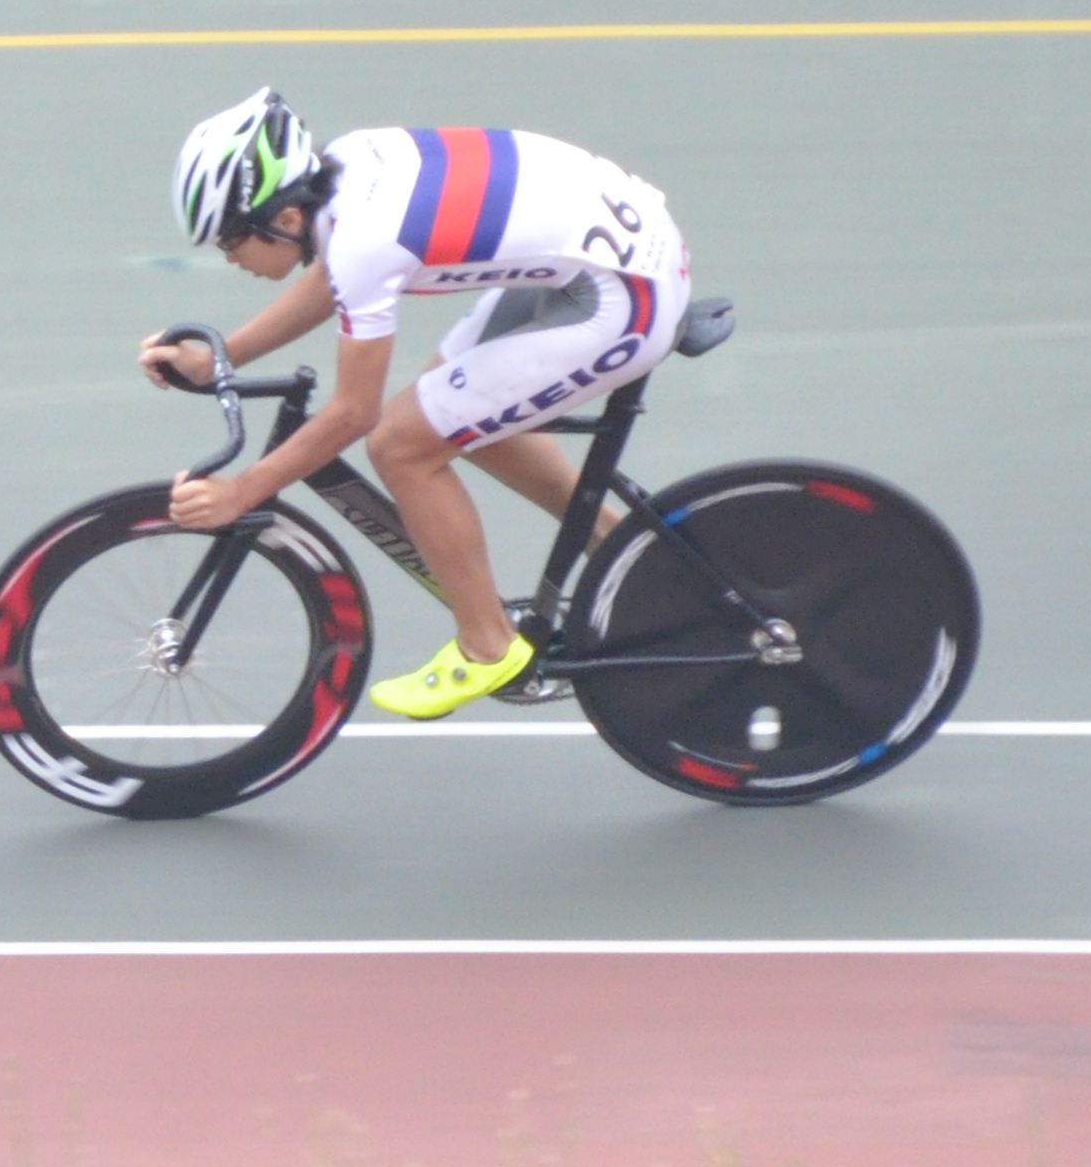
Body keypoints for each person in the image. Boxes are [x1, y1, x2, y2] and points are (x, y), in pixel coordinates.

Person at [151, 90, 693, 717]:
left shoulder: (363, 241)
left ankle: (489, 647)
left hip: (622, 296)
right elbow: (336, 279)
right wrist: (224, 358)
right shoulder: (346, 169)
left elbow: (354, 414)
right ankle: (623, 550)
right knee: (451, 410)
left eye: (230, 241)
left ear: (286, 220)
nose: (229, 259)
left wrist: (240, 492)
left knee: (402, 446)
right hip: (600, 260)